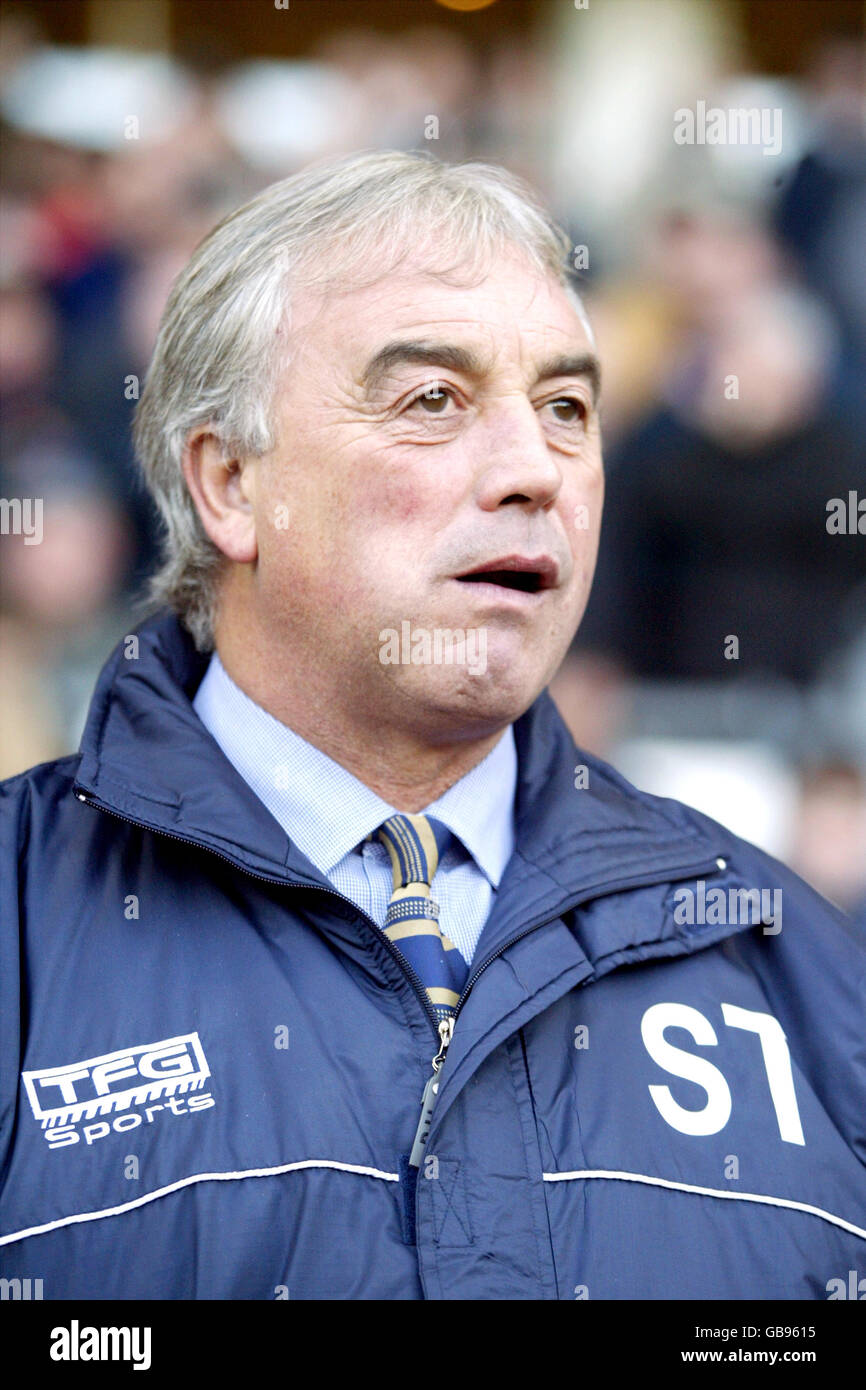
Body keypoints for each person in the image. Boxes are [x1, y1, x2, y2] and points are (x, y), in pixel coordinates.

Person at [1, 151, 863, 1300]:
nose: (531, 471)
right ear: (230, 483)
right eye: (431, 400)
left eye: (565, 408)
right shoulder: (27, 924)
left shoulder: (786, 953)